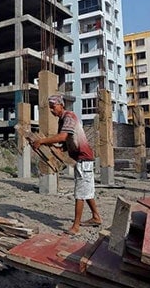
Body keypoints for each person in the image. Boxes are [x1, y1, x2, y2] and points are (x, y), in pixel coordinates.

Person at [30, 94, 102, 235]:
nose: (52, 110)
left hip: (84, 159)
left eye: (53, 107)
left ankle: (75, 227)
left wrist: (42, 141)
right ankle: (96, 217)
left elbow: (63, 137)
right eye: (50, 108)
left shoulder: (69, 117)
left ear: (61, 105)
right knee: (86, 190)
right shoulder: (62, 120)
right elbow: (67, 141)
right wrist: (59, 149)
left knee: (79, 194)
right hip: (81, 159)